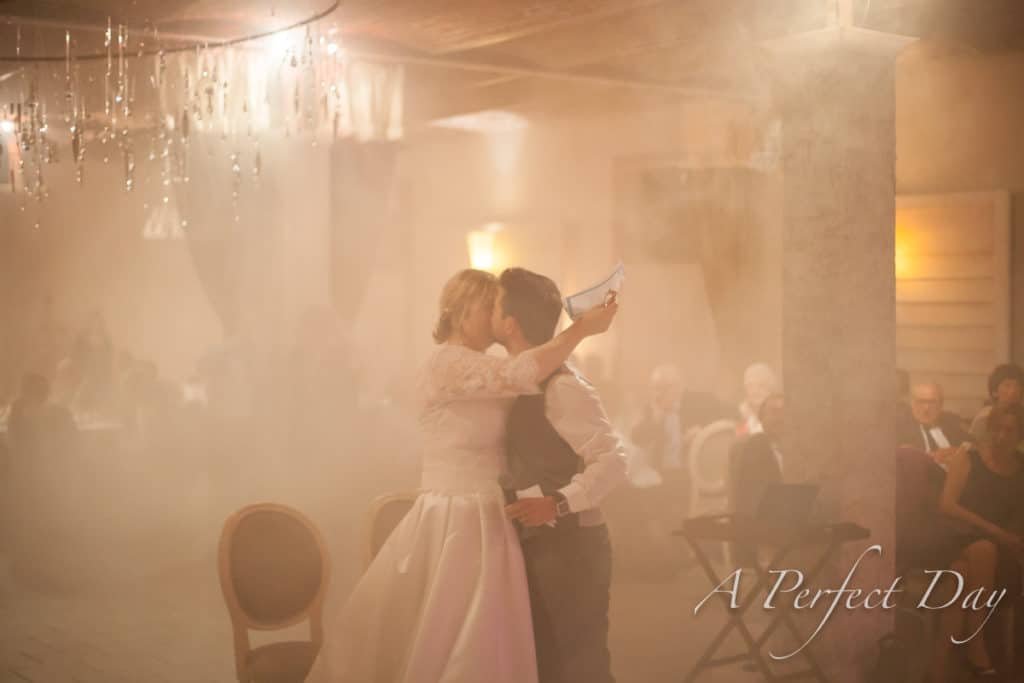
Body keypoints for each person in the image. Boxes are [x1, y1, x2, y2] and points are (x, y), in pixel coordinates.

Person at [309, 269, 618, 683]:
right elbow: (520, 375)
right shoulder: (447, 363)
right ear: (461, 310)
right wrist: (581, 329)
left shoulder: (499, 367)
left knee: (499, 641)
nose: (494, 317)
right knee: (452, 637)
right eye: (487, 306)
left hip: (495, 515)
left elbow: (531, 377)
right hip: (456, 516)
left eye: (497, 307)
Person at [493, 268, 627, 683]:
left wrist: (559, 502)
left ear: (510, 324)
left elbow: (613, 459)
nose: (487, 311)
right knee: (545, 662)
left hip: (573, 548)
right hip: (535, 544)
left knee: (580, 664)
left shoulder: (563, 386)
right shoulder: (512, 376)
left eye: (494, 305)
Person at [929, 404, 1024, 681]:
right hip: (956, 534)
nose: (1001, 436)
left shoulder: (1021, 468)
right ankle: (975, 644)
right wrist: (993, 530)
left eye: (1010, 430)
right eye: (997, 428)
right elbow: (946, 505)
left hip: (999, 546)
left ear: (1020, 434)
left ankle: (939, 661)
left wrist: (1007, 538)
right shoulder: (968, 456)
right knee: (983, 549)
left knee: (962, 571)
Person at [728, 394, 785, 566]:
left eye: (784, 412)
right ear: (762, 418)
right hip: (762, 528)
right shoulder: (755, 448)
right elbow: (751, 499)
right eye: (774, 412)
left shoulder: (799, 448)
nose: (780, 418)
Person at [897, 381, 972, 469]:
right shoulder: (900, 426)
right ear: (912, 403)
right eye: (921, 401)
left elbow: (973, 445)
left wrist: (956, 451)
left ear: (941, 404)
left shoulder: (952, 420)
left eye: (932, 402)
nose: (926, 408)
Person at [968, 363, 1024, 441]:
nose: (1013, 391)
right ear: (995, 391)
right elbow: (972, 447)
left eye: (1017, 385)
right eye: (1007, 385)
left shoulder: (1021, 415)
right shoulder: (984, 418)